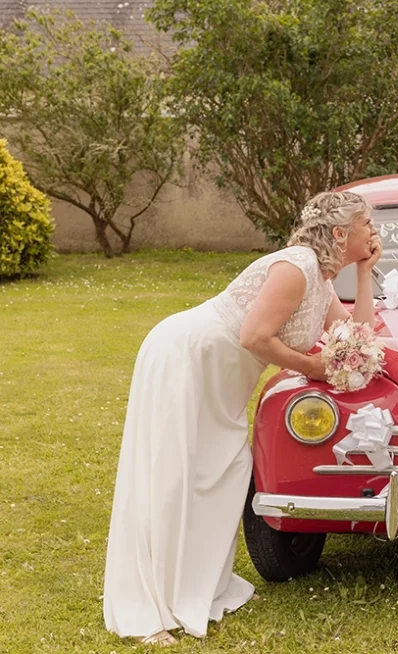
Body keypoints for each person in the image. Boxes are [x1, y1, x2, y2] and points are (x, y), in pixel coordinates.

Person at [103, 191, 381, 644]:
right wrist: (310, 366)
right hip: (188, 359)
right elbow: (254, 336)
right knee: (172, 476)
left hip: (225, 382)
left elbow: (356, 336)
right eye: (366, 222)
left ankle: (206, 586)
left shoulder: (324, 282)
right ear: (339, 233)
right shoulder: (297, 267)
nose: (373, 231)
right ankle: (147, 609)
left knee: (227, 472)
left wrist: (365, 274)